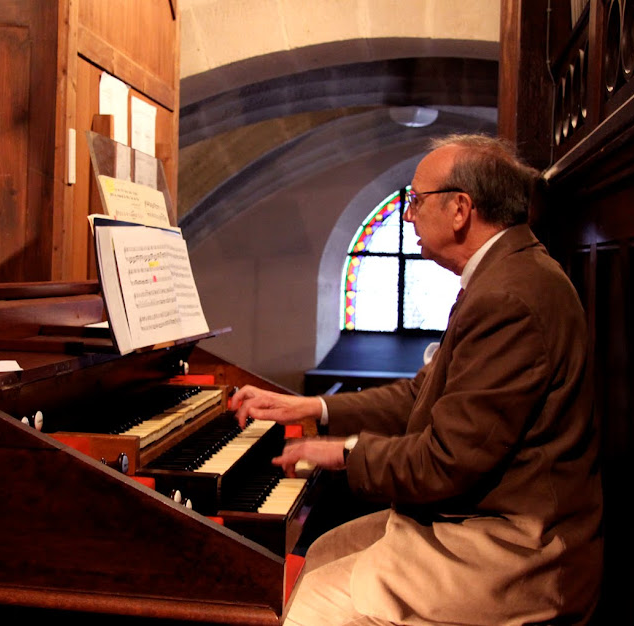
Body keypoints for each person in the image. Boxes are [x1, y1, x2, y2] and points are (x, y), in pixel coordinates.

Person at [231, 134, 603, 625]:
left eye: (415, 201)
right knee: (323, 550)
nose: (407, 215)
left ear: (460, 209)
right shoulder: (503, 274)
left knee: (316, 602)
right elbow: (419, 396)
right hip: (480, 520)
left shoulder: (509, 298)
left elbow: (447, 461)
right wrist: (314, 409)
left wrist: (343, 453)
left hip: (516, 549)